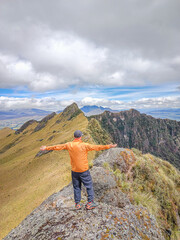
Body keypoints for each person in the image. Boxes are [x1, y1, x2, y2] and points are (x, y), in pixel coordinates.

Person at [40, 130, 117, 210]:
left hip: (74, 171)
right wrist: (108, 146)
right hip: (83, 170)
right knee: (89, 186)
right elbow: (97, 147)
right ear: (80, 137)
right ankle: (90, 203)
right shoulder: (84, 145)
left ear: (74, 137)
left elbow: (58, 147)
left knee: (76, 187)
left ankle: (77, 204)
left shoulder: (69, 145)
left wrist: (46, 148)